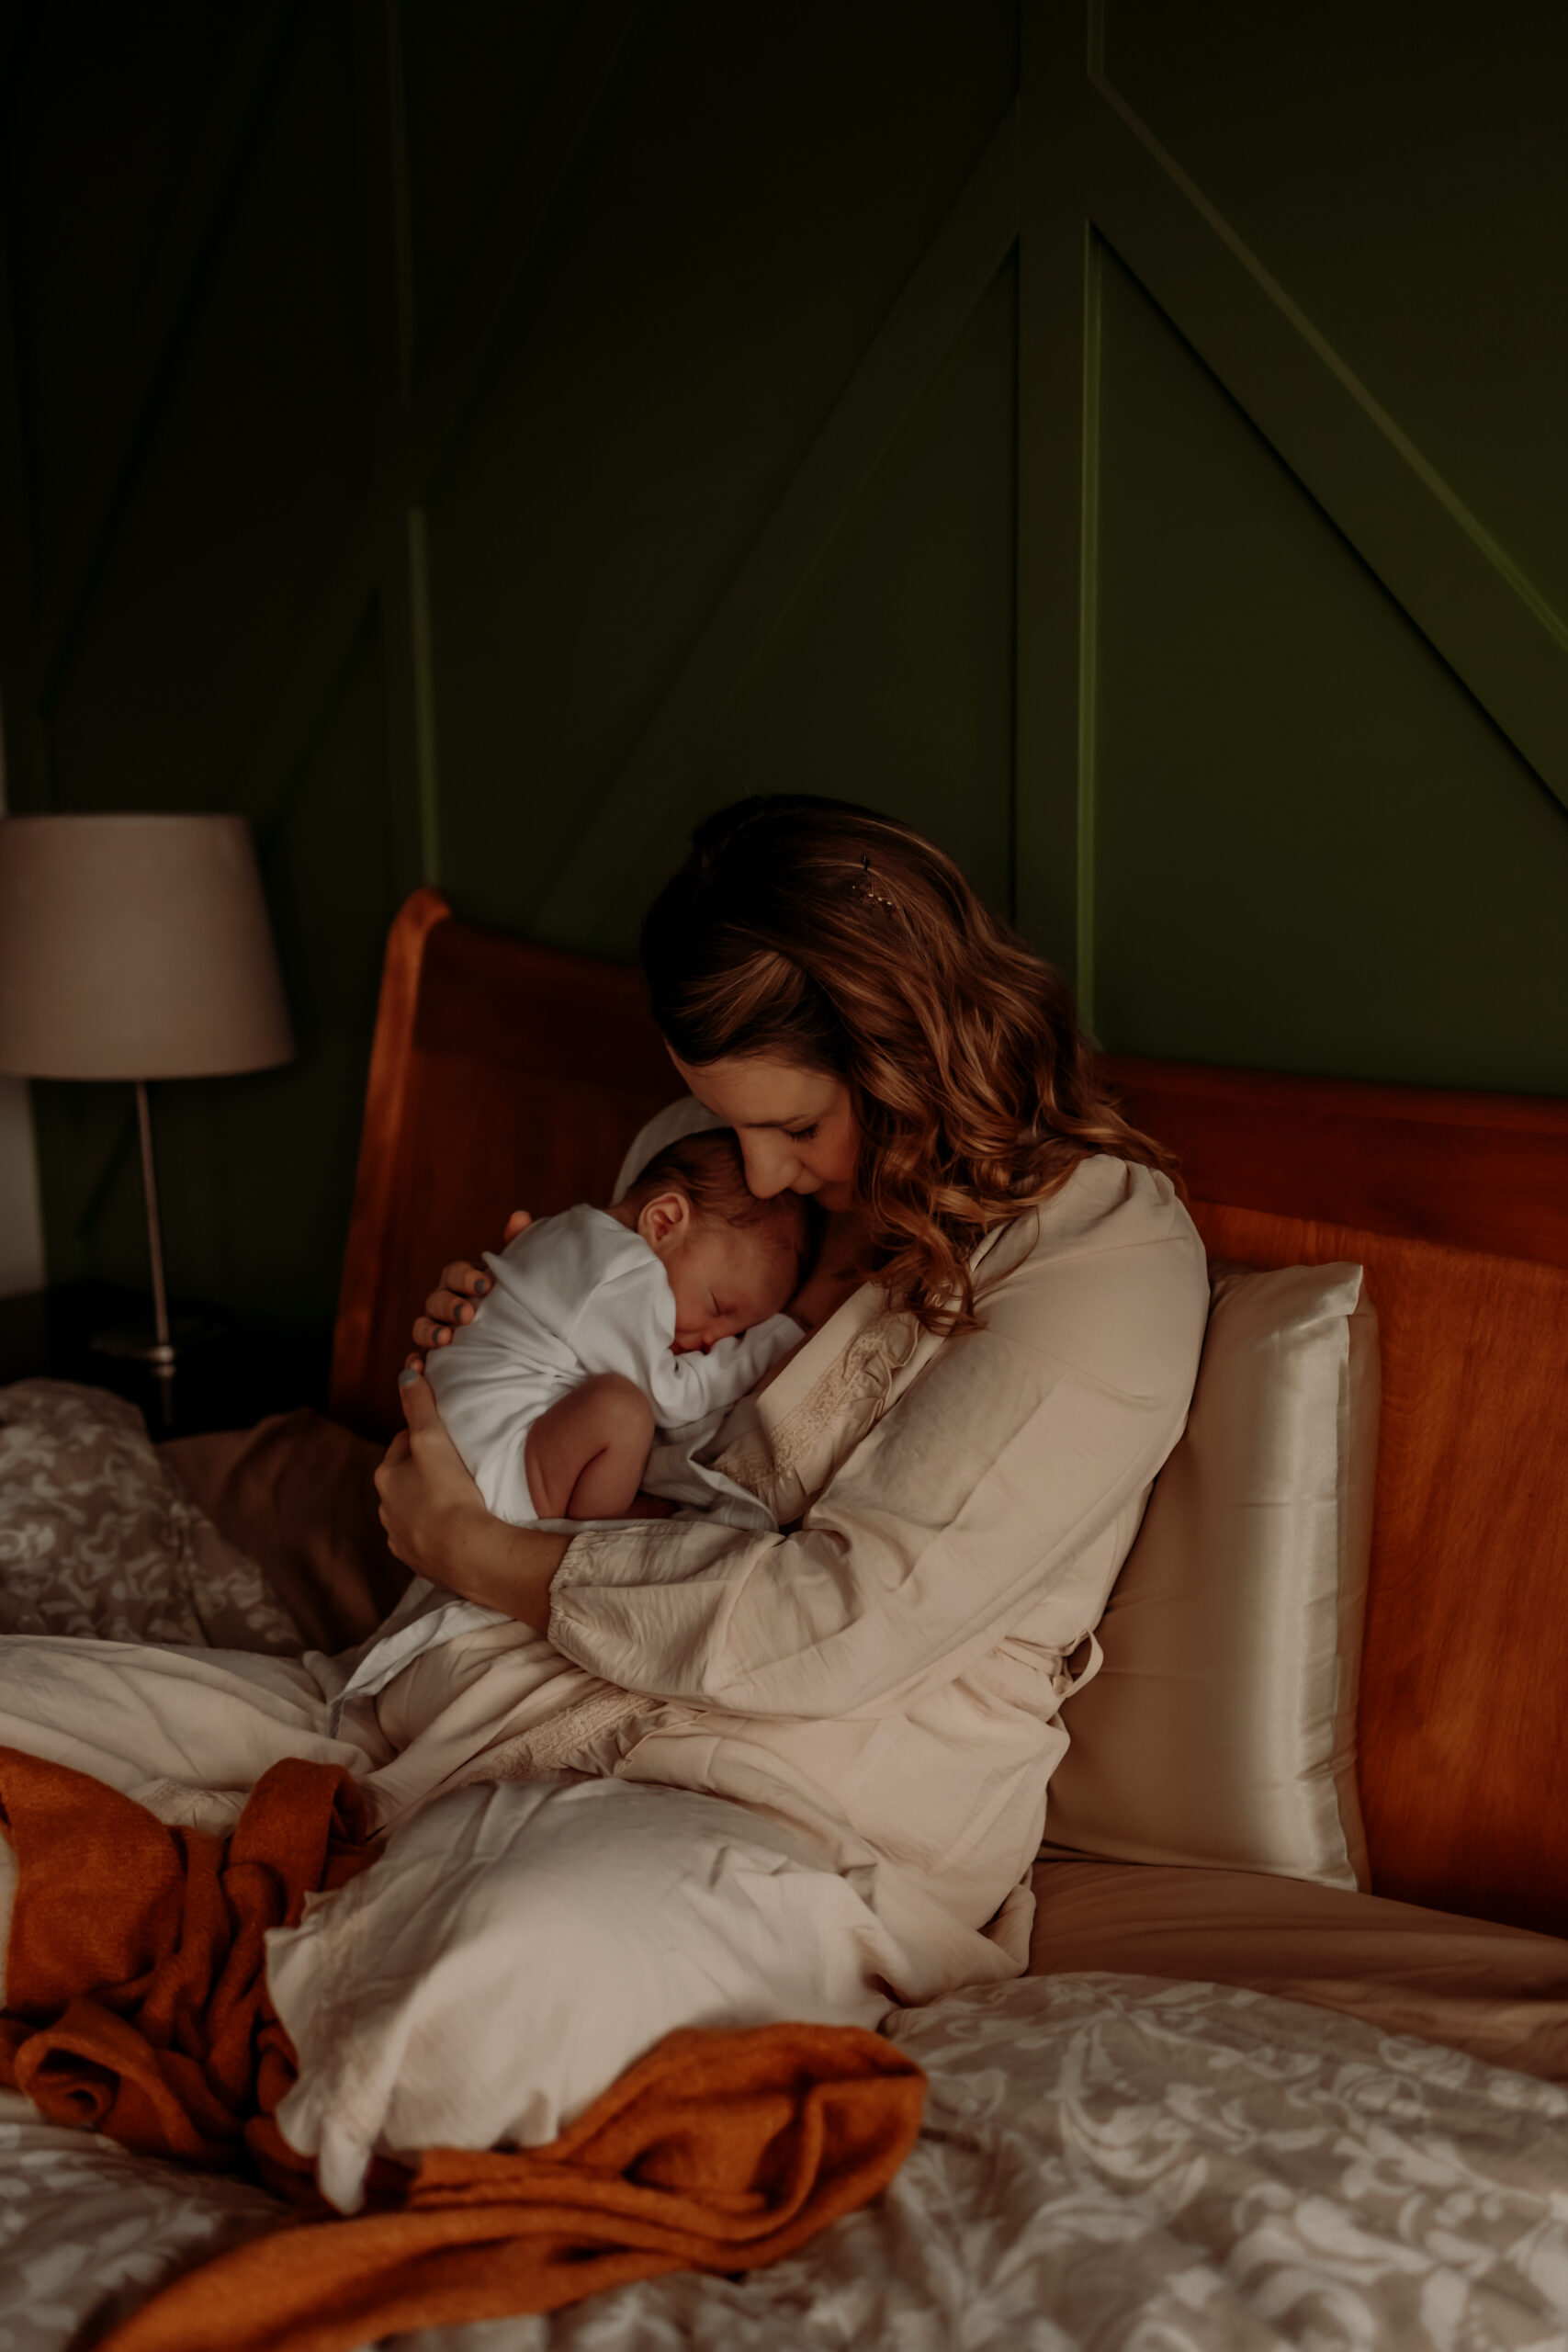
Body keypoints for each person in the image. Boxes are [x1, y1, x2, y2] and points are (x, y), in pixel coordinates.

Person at [0, 793, 1209, 2197]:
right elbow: (602, 1369)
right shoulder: (737, 1172)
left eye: (797, 1124)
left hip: (772, 1804)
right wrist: (500, 1341)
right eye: (730, 1125)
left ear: (911, 1042)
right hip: (439, 1701)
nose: (762, 1171)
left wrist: (482, 1549)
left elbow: (842, 1624)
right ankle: (306, 1909)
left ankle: (308, 1953)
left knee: (492, 1998)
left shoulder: (1095, 1263)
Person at [426, 1127, 807, 1528]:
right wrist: (773, 1340)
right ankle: (593, 1524)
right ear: (663, 1222)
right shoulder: (625, 1274)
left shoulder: (568, 1229)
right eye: (719, 1307)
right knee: (625, 1413)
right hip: (500, 1472)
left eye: (738, 1333)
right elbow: (673, 1397)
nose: (716, 1339)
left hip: (461, 1441)